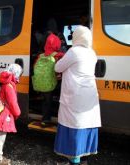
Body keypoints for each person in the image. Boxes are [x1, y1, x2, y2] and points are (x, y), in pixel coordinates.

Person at [54, 25, 101, 165]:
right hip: (90, 93)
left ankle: (74, 160)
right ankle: (84, 159)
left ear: (77, 37)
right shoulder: (92, 53)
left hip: (75, 95)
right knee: (86, 123)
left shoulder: (73, 51)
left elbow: (58, 67)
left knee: (74, 124)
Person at [0, 64, 22, 165]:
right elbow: (13, 103)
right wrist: (17, 113)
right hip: (4, 115)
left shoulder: (5, 83)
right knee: (0, 137)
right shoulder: (9, 86)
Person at [33, 33, 64, 126]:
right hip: (56, 83)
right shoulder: (59, 55)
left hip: (44, 83)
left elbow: (34, 66)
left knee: (46, 100)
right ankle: (62, 119)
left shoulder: (40, 56)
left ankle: (45, 119)